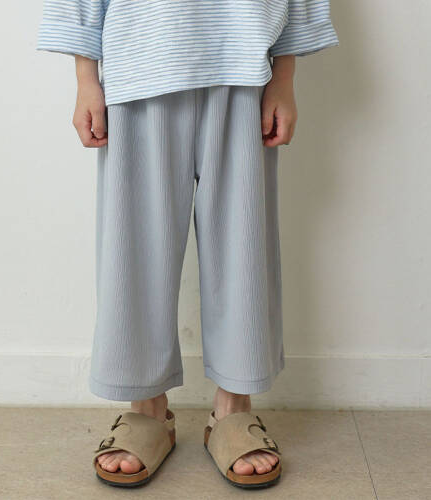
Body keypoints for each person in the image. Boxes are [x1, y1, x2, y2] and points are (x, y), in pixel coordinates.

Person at [37, 0, 338, 489]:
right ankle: (146, 409)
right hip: (139, 64)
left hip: (243, 66)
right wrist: (85, 78)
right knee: (134, 252)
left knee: (244, 248)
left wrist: (284, 77)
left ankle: (233, 409)